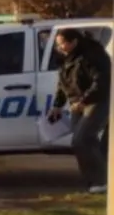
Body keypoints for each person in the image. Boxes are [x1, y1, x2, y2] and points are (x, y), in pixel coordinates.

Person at [47, 28, 112, 193]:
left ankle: (101, 181)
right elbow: (63, 84)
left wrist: (85, 100)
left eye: (62, 44)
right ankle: (93, 181)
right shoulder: (66, 59)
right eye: (58, 44)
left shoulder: (92, 56)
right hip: (77, 104)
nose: (59, 47)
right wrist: (57, 105)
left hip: (97, 101)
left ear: (74, 42)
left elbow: (101, 81)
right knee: (81, 144)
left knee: (82, 139)